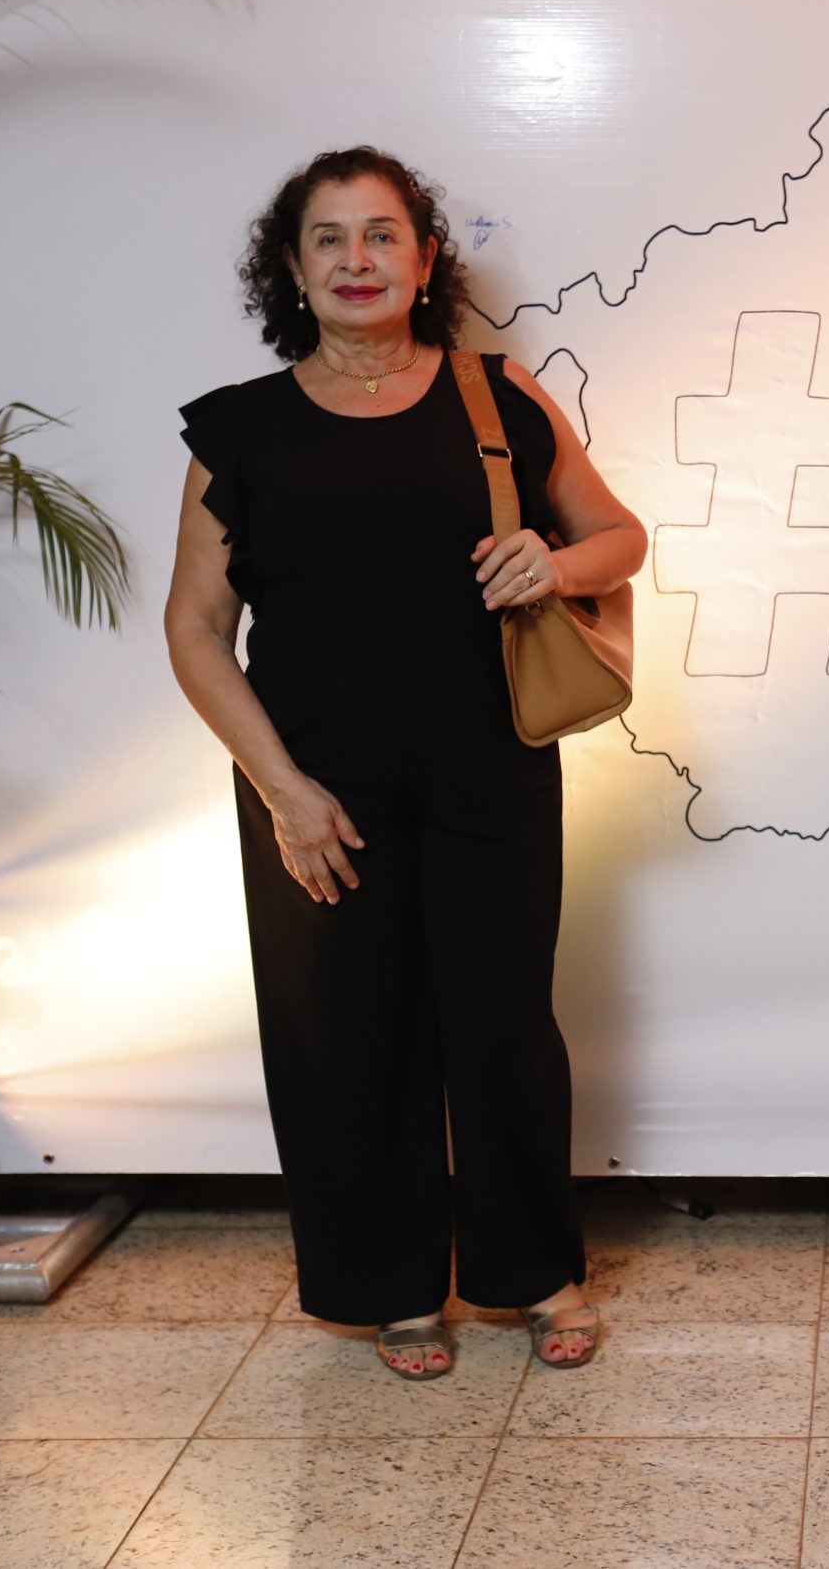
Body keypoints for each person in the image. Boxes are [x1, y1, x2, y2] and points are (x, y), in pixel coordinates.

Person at [163, 147, 646, 1380]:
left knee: (503, 1029)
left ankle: (533, 1274)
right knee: (345, 1037)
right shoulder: (240, 430)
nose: (357, 259)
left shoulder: (497, 394)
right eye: (327, 238)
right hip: (315, 794)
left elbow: (619, 536)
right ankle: (389, 1290)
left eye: (381, 234)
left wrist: (557, 564)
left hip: (491, 776)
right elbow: (196, 630)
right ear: (291, 269)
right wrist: (283, 792)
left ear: (425, 260)